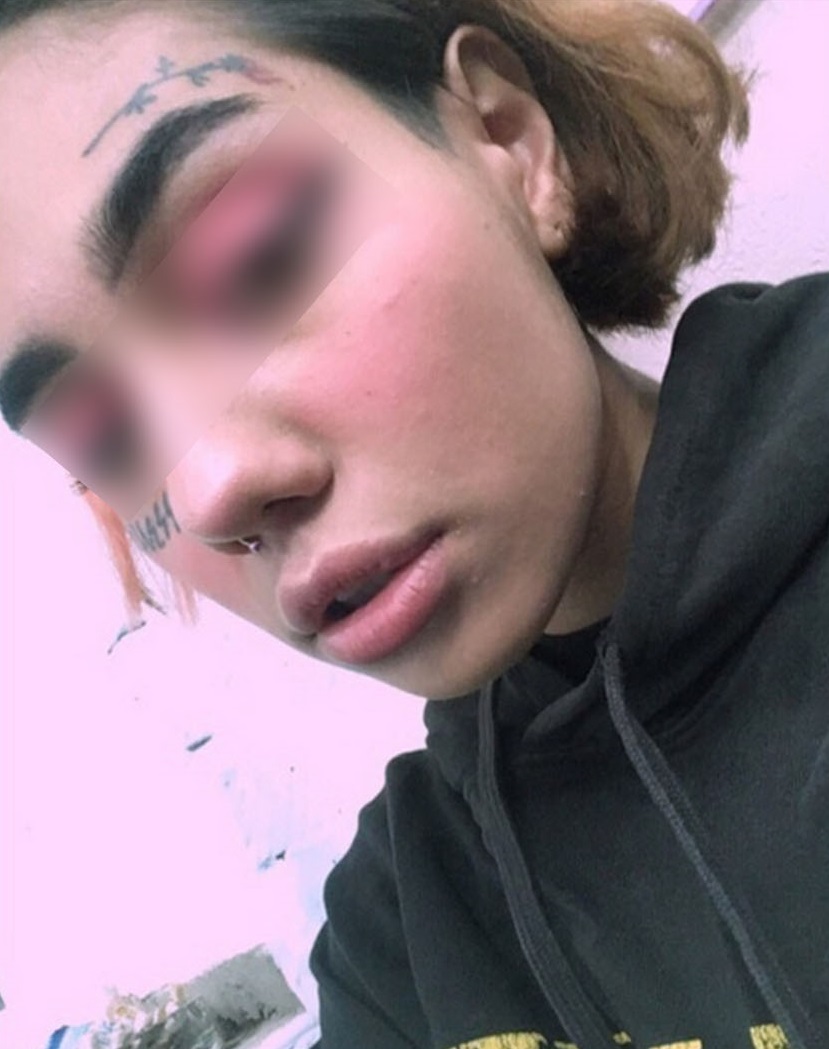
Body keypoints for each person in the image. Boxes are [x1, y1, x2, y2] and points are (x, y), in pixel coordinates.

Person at [0, 1, 826, 1046]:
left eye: (260, 259)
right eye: (103, 438)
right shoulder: (398, 941)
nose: (206, 490)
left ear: (507, 138)